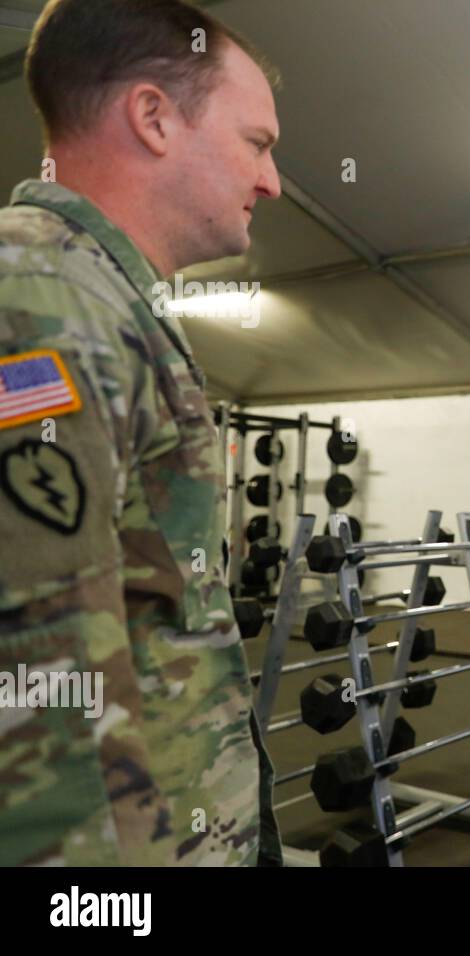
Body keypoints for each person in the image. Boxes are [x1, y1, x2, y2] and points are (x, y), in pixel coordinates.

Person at [0, 0, 283, 865]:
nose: (272, 181)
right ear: (154, 118)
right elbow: (39, 694)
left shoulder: (106, 301)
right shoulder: (46, 299)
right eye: (258, 144)